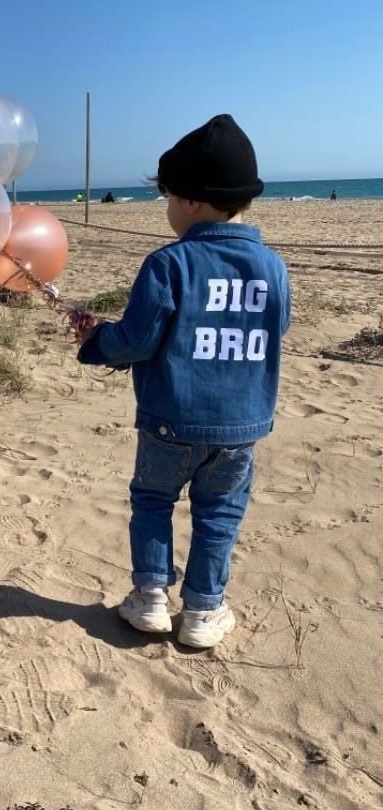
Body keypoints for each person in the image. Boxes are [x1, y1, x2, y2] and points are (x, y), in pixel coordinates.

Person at [74, 115, 290, 648]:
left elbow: (138, 339)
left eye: (168, 199)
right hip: (241, 425)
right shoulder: (273, 266)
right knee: (220, 512)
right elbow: (277, 325)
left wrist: (96, 343)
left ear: (192, 201)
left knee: (152, 499)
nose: (167, 210)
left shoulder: (169, 263)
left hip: (170, 420)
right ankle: (202, 611)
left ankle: (150, 598)